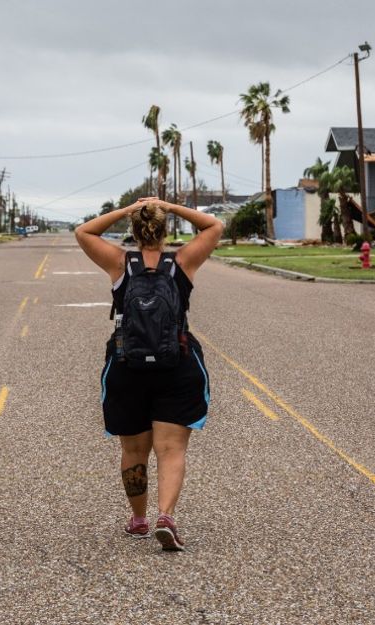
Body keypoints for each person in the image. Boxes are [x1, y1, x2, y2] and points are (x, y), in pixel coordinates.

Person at [74, 196, 223, 551]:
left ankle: (138, 520)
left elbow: (83, 231)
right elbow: (214, 225)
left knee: (134, 450)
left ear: (135, 230)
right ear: (165, 229)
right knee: (171, 449)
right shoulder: (182, 262)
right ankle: (166, 516)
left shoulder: (120, 262)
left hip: (128, 366)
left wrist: (127, 211)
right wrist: (169, 206)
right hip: (178, 364)